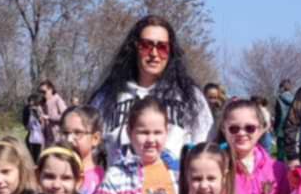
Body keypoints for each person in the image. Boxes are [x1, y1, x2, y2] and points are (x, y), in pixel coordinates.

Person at [88, 15, 213, 162]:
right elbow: (90, 149)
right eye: (146, 46)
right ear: (134, 48)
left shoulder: (190, 97)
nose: (154, 54)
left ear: (171, 52)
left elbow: (204, 148)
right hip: (117, 175)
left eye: (162, 47)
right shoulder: (107, 97)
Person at [58, 106, 106, 194]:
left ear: (95, 138)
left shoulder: (102, 181)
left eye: (77, 133)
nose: (69, 139)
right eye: (65, 133)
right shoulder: (54, 173)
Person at [272, 80, 296, 161]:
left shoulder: (279, 98)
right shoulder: (295, 99)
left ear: (282, 87)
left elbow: (278, 115)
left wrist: (275, 128)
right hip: (292, 126)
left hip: (281, 127)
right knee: (291, 151)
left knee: (280, 152)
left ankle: (280, 166)